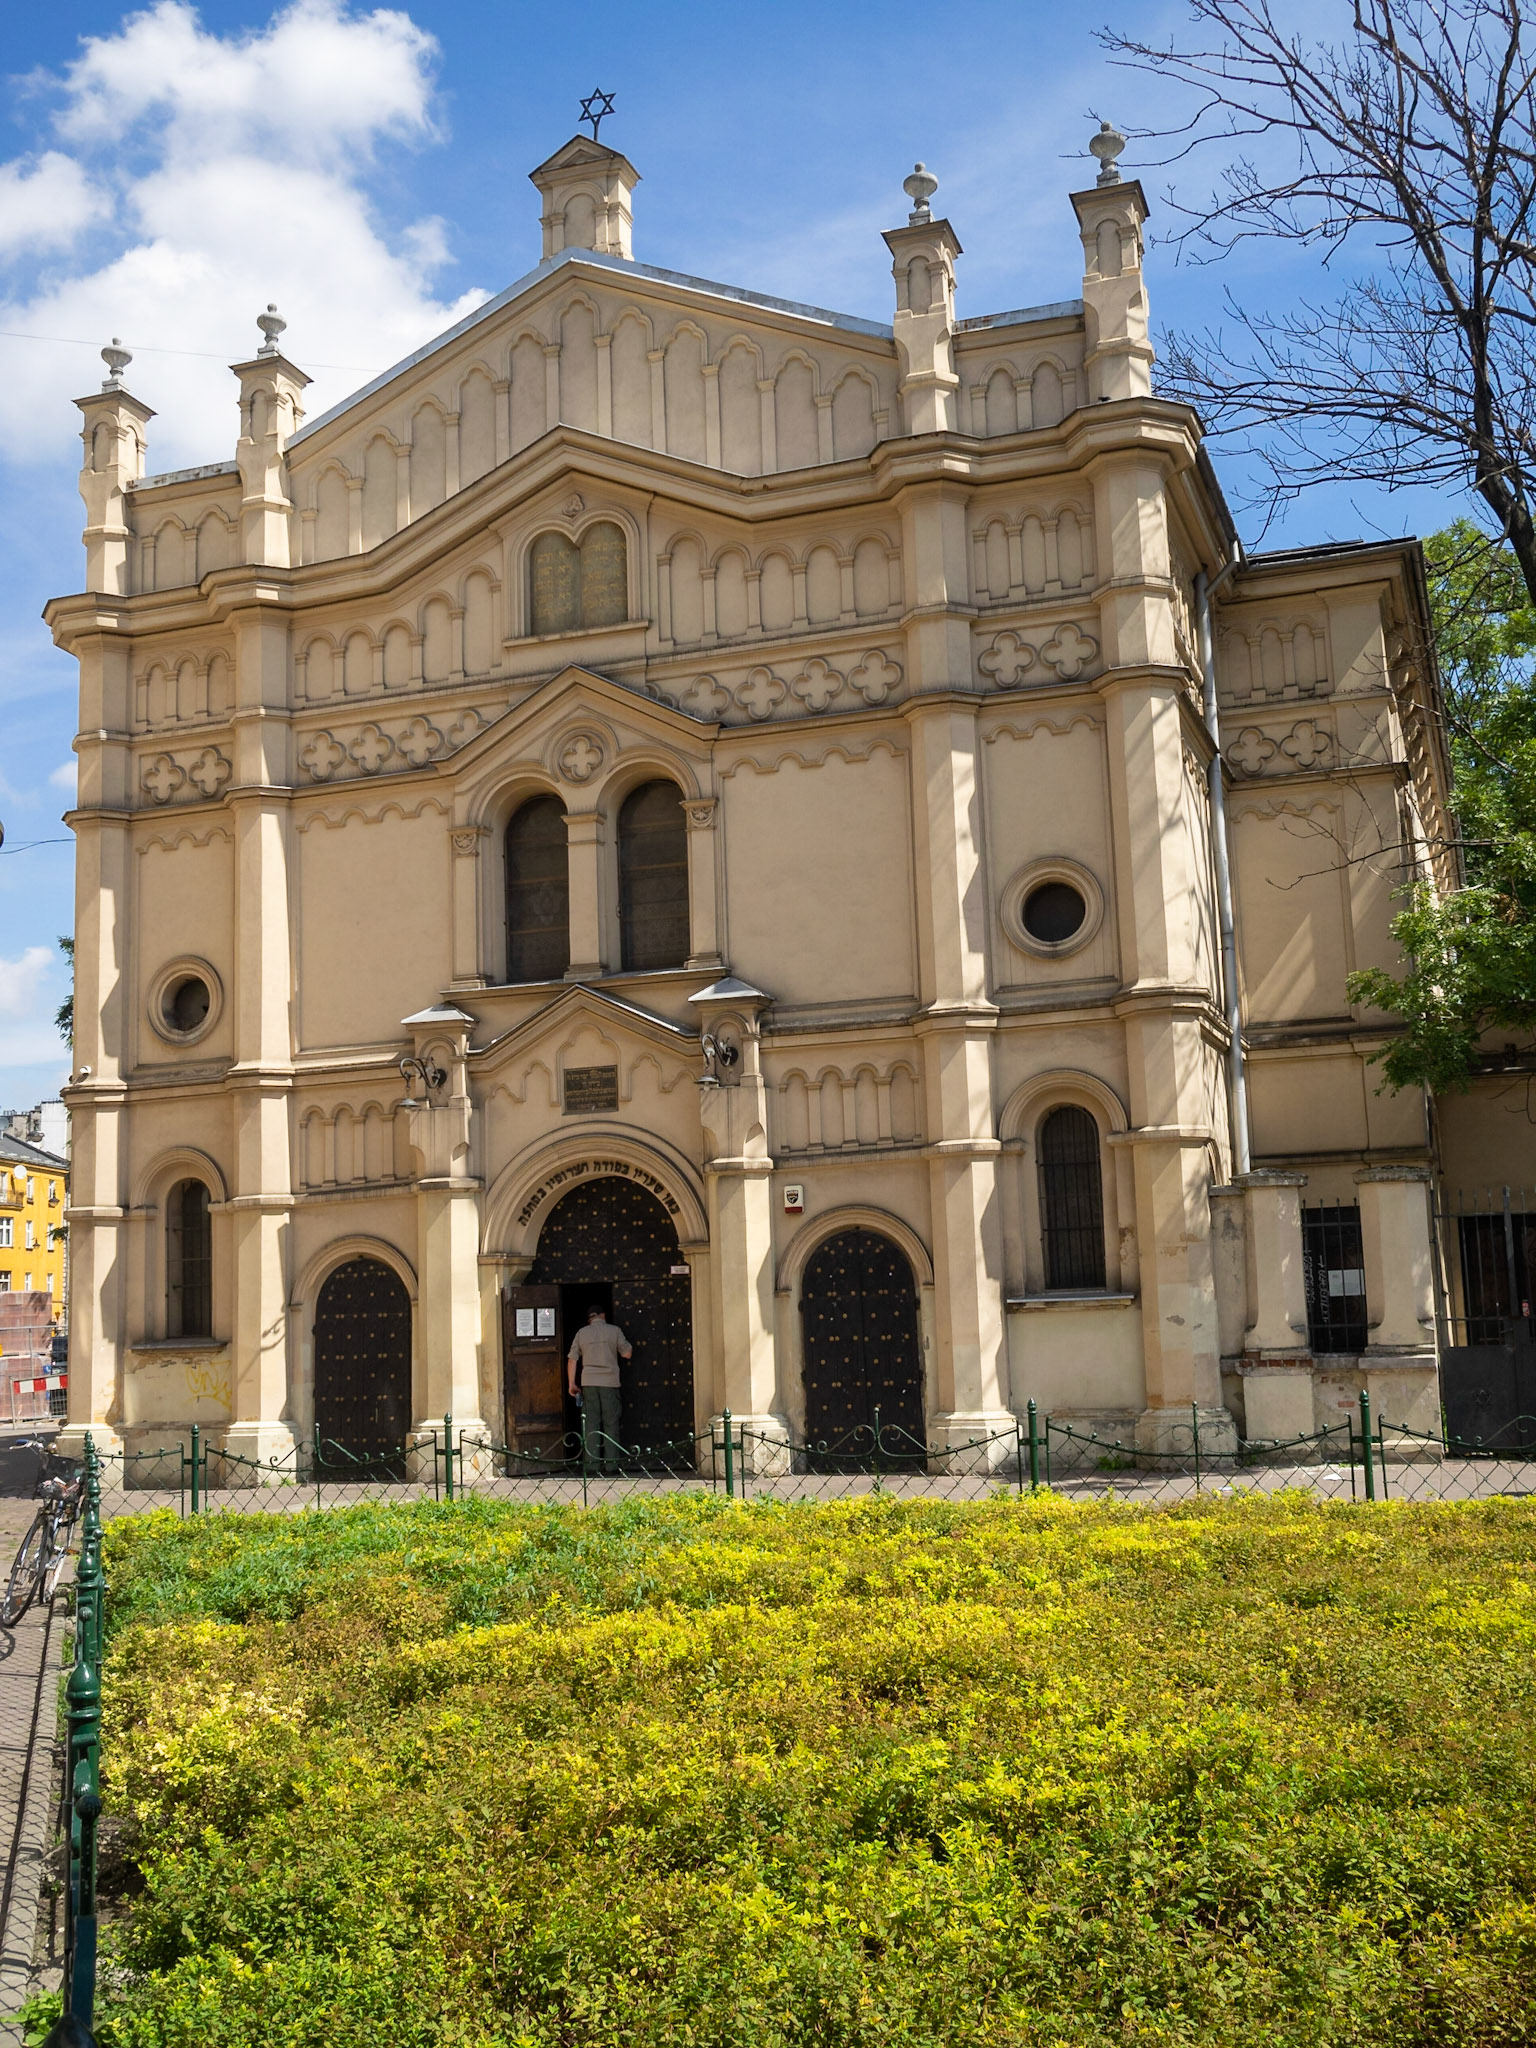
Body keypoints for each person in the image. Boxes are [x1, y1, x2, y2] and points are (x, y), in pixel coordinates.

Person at [567, 1306, 631, 1475]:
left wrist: (571, 1384)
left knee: (591, 1424)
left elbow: (572, 1359)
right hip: (610, 1382)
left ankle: (591, 1466)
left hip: (588, 1382)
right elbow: (627, 1354)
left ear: (589, 1318)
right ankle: (611, 1465)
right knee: (611, 1423)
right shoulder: (614, 1330)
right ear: (603, 1315)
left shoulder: (581, 1333)